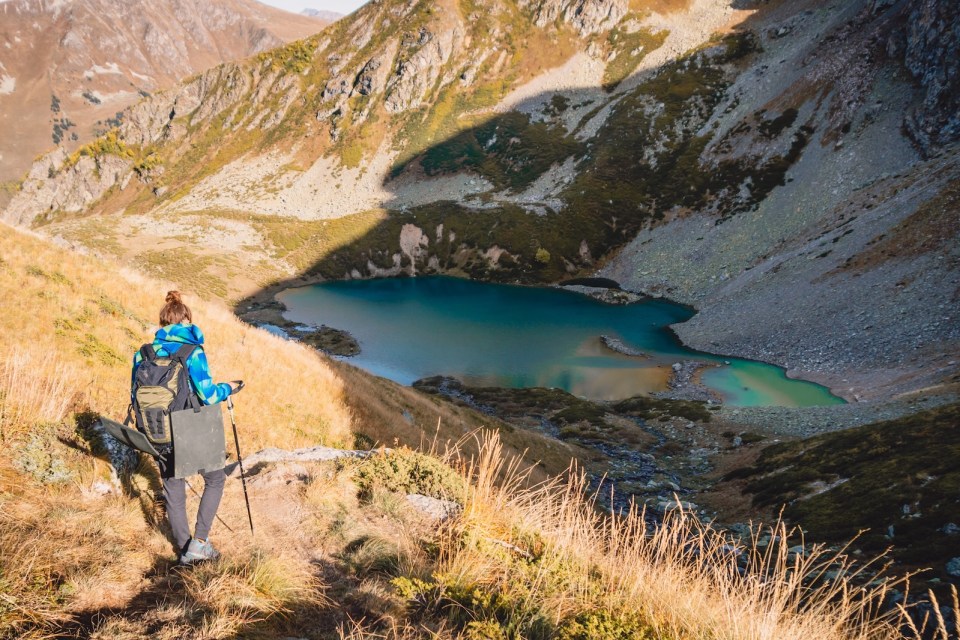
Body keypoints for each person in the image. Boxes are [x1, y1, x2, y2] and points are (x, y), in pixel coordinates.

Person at [131, 291, 239, 565]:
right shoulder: (193, 352)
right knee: (215, 479)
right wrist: (230, 388)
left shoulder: (142, 353)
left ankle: (183, 548)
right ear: (187, 321)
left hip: (156, 429)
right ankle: (199, 543)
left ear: (162, 322)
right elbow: (208, 394)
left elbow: (135, 393)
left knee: (172, 487)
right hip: (190, 426)